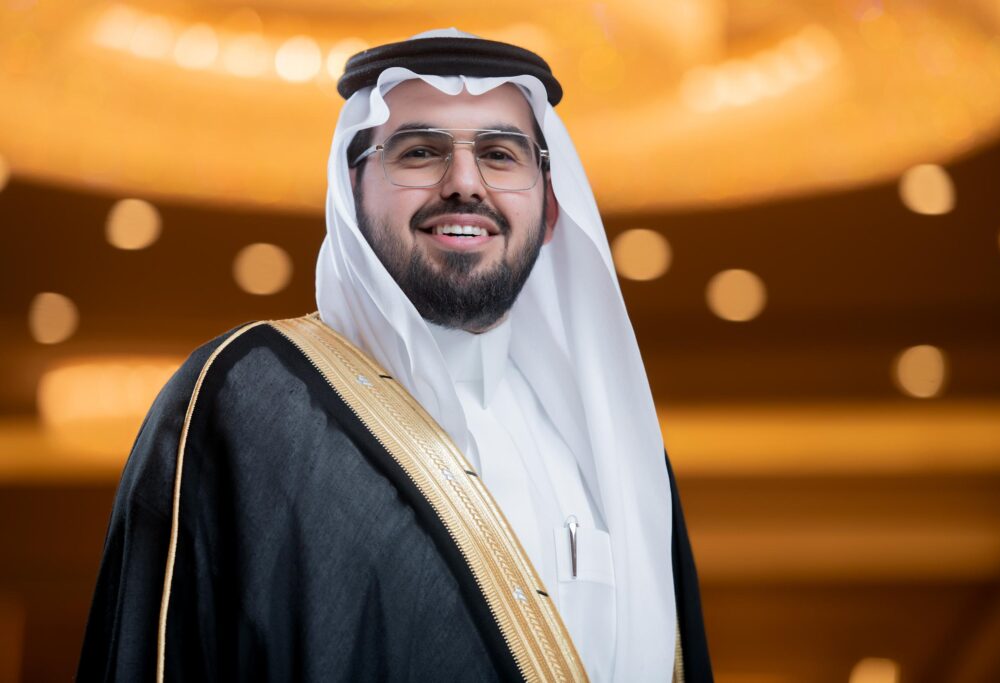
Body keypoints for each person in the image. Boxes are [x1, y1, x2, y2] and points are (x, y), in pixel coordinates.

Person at [77, 28, 713, 682]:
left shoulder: (608, 447)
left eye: (500, 154)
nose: (464, 183)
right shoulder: (252, 404)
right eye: (419, 152)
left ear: (551, 206)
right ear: (351, 191)